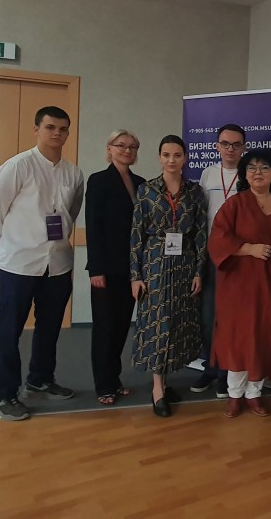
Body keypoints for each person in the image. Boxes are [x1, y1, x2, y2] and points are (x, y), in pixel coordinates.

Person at [0, 106, 85, 422]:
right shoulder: (18, 166)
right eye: (50, 127)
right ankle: (4, 395)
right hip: (18, 264)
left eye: (63, 129)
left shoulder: (73, 174)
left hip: (58, 264)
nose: (57, 133)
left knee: (49, 328)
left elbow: (71, 214)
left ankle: (40, 380)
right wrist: (9, 242)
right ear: (37, 129)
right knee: (9, 330)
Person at [208, 150, 271, 417]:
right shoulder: (234, 205)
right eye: (251, 168)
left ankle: (254, 393)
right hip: (240, 287)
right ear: (244, 174)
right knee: (240, 338)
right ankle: (234, 394)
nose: (257, 173)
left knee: (265, 337)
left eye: (264, 167)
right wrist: (248, 249)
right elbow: (217, 240)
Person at [129, 135, 208, 417]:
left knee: (178, 323)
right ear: (159, 157)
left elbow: (201, 234)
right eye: (166, 155)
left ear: (185, 157)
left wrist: (199, 271)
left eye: (177, 155)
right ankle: (157, 388)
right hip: (154, 264)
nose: (171, 160)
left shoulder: (194, 191)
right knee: (157, 323)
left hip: (184, 263)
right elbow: (136, 233)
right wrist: (135, 275)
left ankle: (166, 380)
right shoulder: (147, 190)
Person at [85, 130, 146, 405]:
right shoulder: (98, 181)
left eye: (132, 146)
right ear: (109, 149)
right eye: (121, 145)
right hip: (106, 269)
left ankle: (114, 379)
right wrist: (96, 269)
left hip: (131, 269)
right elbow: (93, 226)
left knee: (121, 326)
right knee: (105, 328)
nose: (127, 150)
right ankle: (103, 385)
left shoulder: (141, 183)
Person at [189, 124, 246, 397]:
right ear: (217, 146)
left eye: (236, 144)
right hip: (211, 256)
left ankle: (227, 372)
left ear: (244, 147)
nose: (230, 149)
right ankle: (210, 368)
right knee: (208, 315)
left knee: (232, 318)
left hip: (238, 258)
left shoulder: (249, 174)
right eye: (225, 143)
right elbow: (201, 215)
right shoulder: (208, 173)